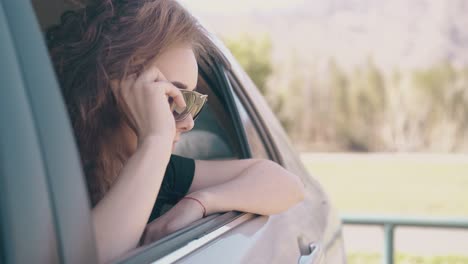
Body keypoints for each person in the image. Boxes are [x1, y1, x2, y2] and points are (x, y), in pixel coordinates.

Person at [46, 0, 305, 262]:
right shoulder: (47, 180)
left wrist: (200, 202)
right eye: (171, 97)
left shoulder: (163, 173)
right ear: (112, 87)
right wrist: (156, 139)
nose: (188, 122)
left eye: (192, 102)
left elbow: (288, 184)